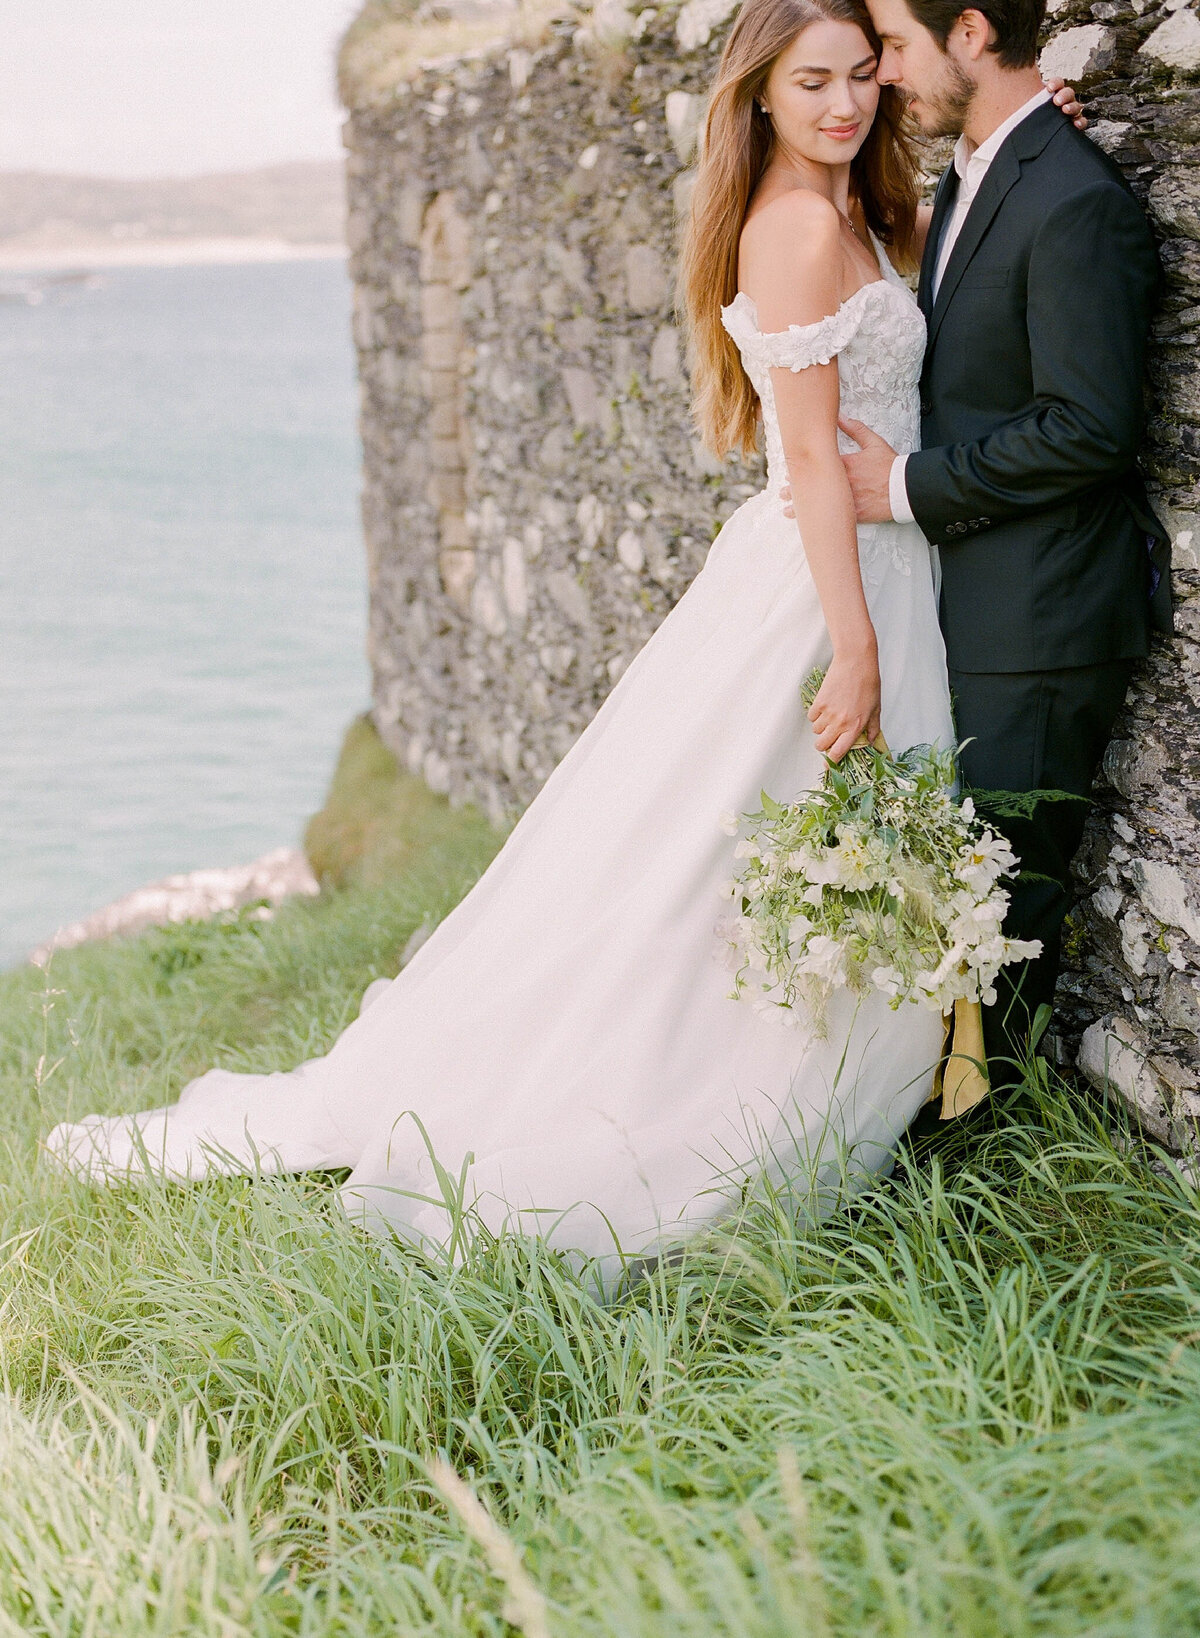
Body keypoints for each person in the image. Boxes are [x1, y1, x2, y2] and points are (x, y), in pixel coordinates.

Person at [44, 0, 1082, 1276]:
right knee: (757, 845)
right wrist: (854, 649)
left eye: (864, 75)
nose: (845, 104)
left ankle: (821, 1083)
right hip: (828, 584)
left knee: (771, 851)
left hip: (885, 566)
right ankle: (705, 1105)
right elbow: (809, 460)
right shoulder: (798, 227)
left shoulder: (869, 213)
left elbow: (955, 255)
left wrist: (1027, 136)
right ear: (757, 94)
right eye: (812, 81)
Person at [831, 0, 1171, 1076]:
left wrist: (902, 486)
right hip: (977, 602)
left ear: (971, 30)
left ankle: (985, 1141)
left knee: (1006, 905)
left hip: (1043, 619)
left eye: (893, 47)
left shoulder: (1075, 202)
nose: (882, 75)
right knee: (965, 885)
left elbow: (1091, 429)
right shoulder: (977, 171)